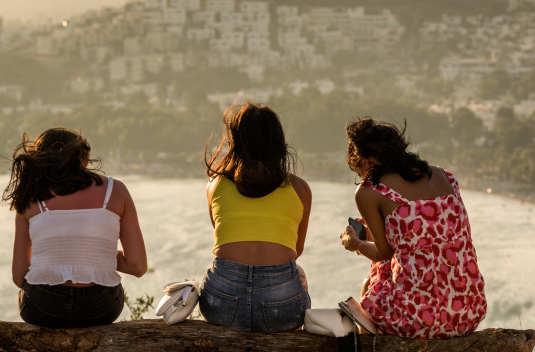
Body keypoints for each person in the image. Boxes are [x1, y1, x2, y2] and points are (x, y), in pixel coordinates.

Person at [339, 117, 486, 339]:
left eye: (359, 170)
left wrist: (356, 244)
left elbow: (384, 254)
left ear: (367, 161)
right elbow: (433, 235)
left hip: (419, 319)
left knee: (372, 281)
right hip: (468, 311)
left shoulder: (369, 191)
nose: (362, 177)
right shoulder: (444, 176)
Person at [3, 128, 147, 328]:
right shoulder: (116, 191)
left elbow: (19, 276)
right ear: (85, 159)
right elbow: (137, 266)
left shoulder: (29, 195)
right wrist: (94, 254)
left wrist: (64, 254)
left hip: (43, 307)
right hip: (100, 308)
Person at [199, 103, 312, 332]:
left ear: (235, 144)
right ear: (279, 144)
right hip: (280, 308)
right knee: (298, 272)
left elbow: (221, 238)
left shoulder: (215, 185)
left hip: (222, 302)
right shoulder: (300, 189)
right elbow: (295, 249)